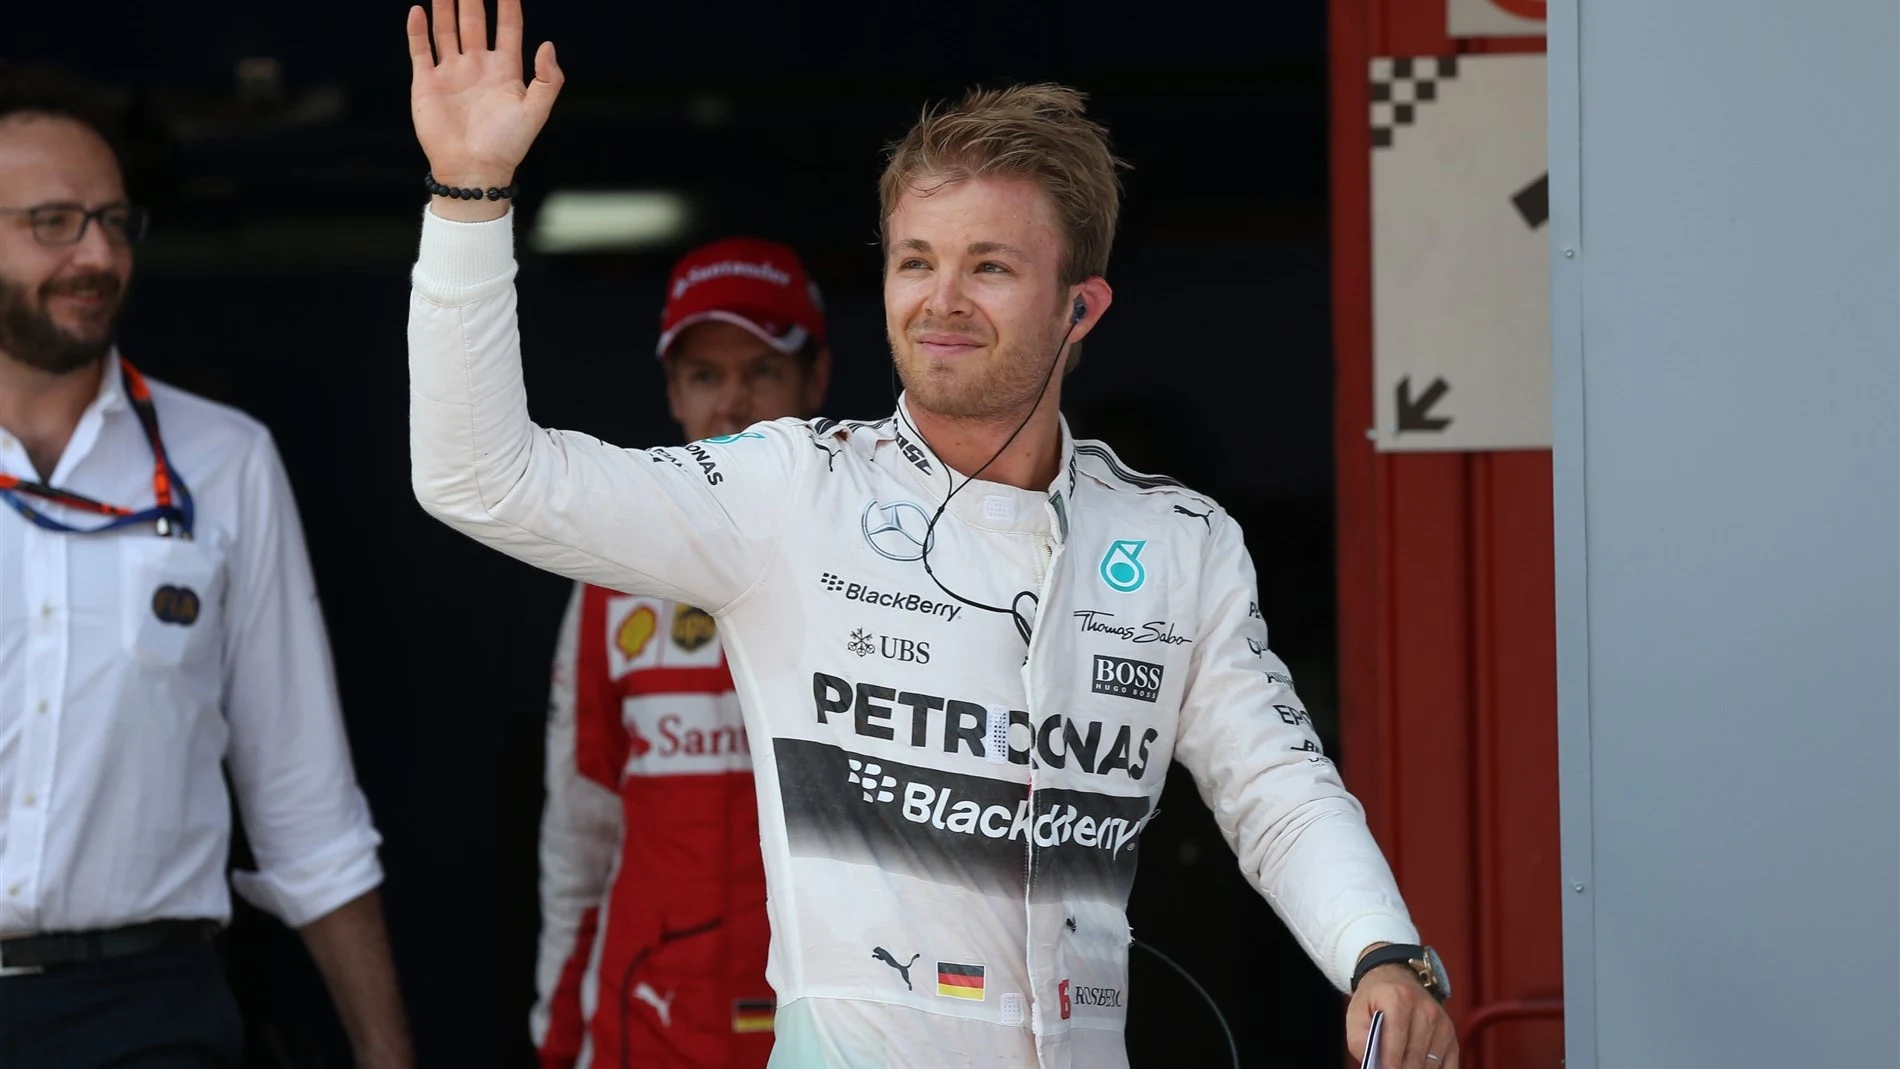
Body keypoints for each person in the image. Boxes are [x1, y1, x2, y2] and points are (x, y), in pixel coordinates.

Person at [400, 3, 1459, 1067]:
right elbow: (478, 478)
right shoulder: (790, 492)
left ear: (1080, 309)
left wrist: (1381, 951)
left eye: (990, 267)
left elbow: (1276, 791)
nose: (941, 301)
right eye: (916, 262)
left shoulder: (1179, 541)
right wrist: (468, 196)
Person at [0, 65, 413, 1069]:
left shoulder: (225, 460)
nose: (97, 253)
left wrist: (387, 1053)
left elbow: (305, 804)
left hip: (149, 1015)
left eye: (112, 220)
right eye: (53, 221)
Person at [531, 236, 832, 1069]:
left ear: (816, 379)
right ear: (672, 393)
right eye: (705, 375)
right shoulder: (612, 577)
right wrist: (558, 1036)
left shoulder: (882, 569)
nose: (732, 404)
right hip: (647, 1023)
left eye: (761, 371)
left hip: (828, 1032)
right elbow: (578, 833)